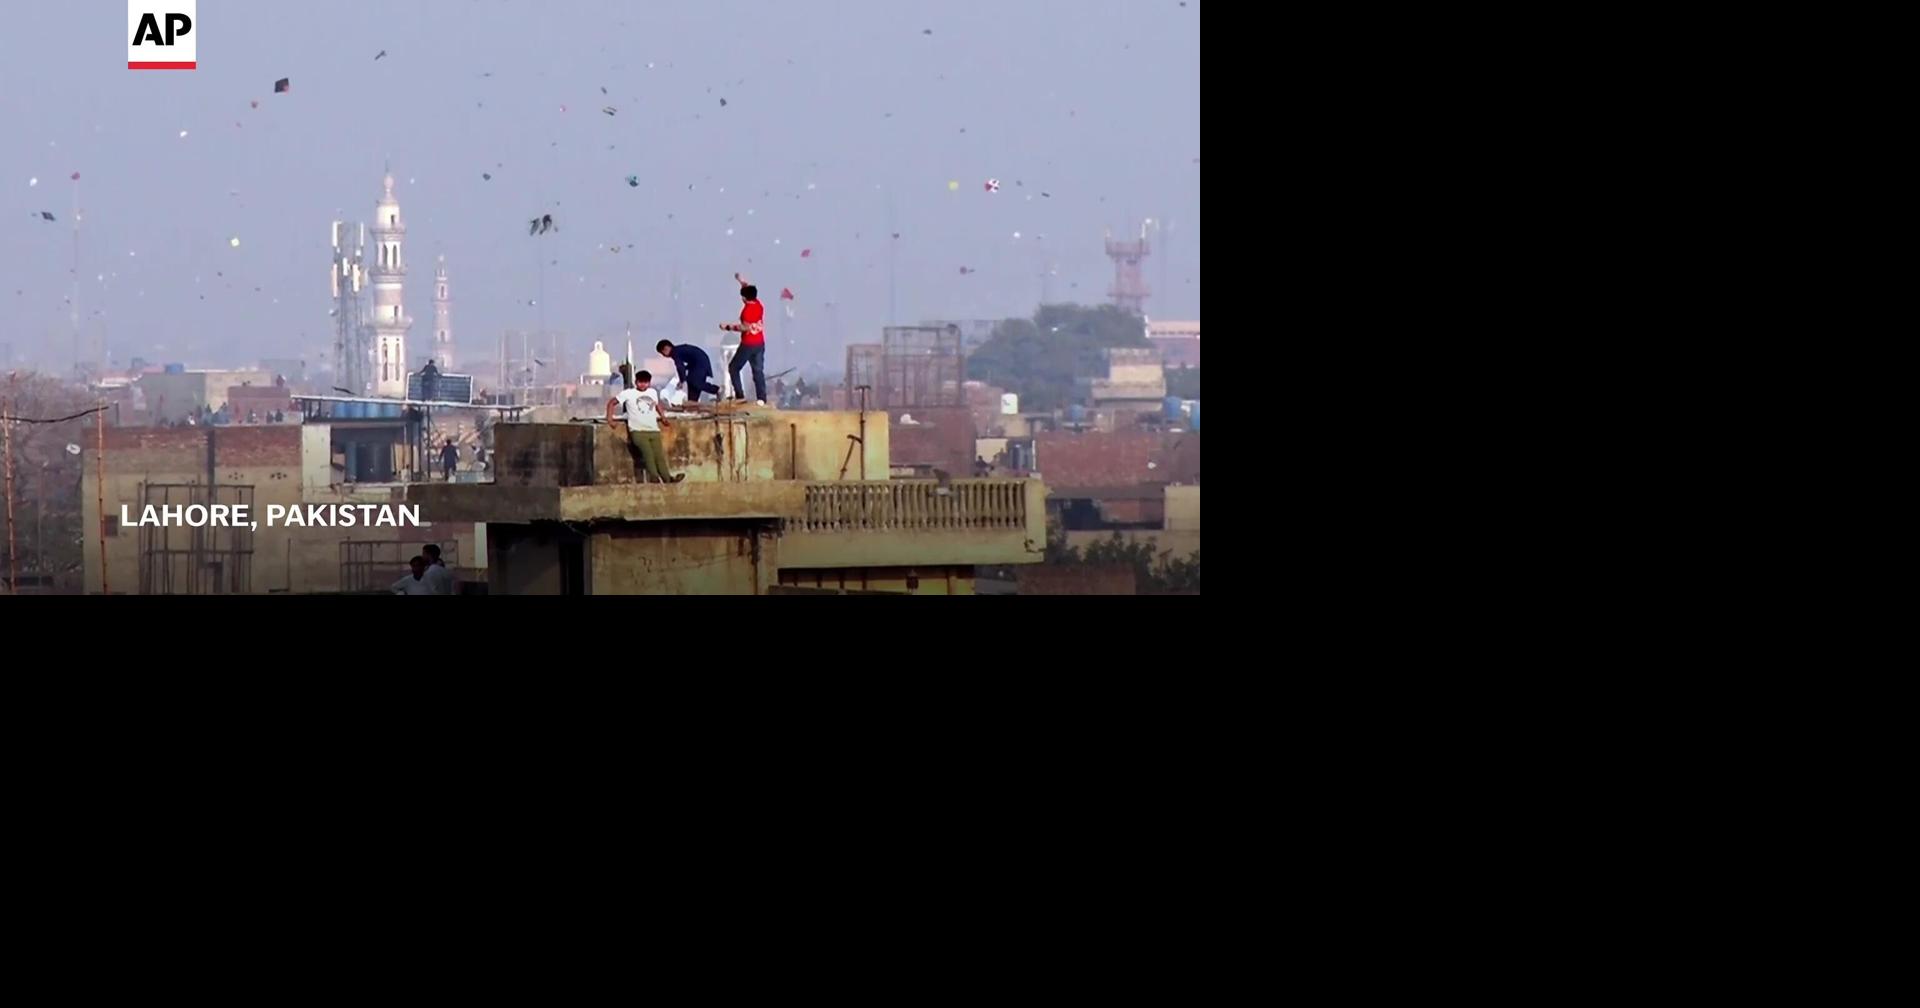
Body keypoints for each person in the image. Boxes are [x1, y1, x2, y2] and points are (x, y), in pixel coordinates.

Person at [605, 365, 685, 484]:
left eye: (645, 382)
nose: (643, 385)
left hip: (653, 429)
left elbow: (657, 405)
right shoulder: (628, 393)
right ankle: (654, 478)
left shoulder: (652, 392)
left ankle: (667, 479)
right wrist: (610, 419)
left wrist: (663, 417)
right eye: (640, 382)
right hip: (638, 431)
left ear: (649, 383)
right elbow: (612, 403)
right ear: (636, 382)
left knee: (659, 457)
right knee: (648, 456)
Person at [719, 271, 768, 404]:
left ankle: (740, 396)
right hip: (760, 343)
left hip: (748, 344)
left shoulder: (747, 311)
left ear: (744, 298)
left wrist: (728, 327)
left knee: (734, 368)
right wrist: (740, 280)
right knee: (758, 371)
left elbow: (745, 327)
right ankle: (762, 398)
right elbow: (748, 288)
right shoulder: (758, 304)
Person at [657, 340, 721, 403]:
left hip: (700, 363)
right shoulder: (679, 350)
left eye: (662, 353)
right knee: (691, 382)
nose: (663, 356)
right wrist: (684, 375)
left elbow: (680, 367)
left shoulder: (675, 352)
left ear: (666, 349)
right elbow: (684, 366)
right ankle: (692, 402)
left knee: (695, 382)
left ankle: (717, 390)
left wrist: (682, 381)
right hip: (697, 363)